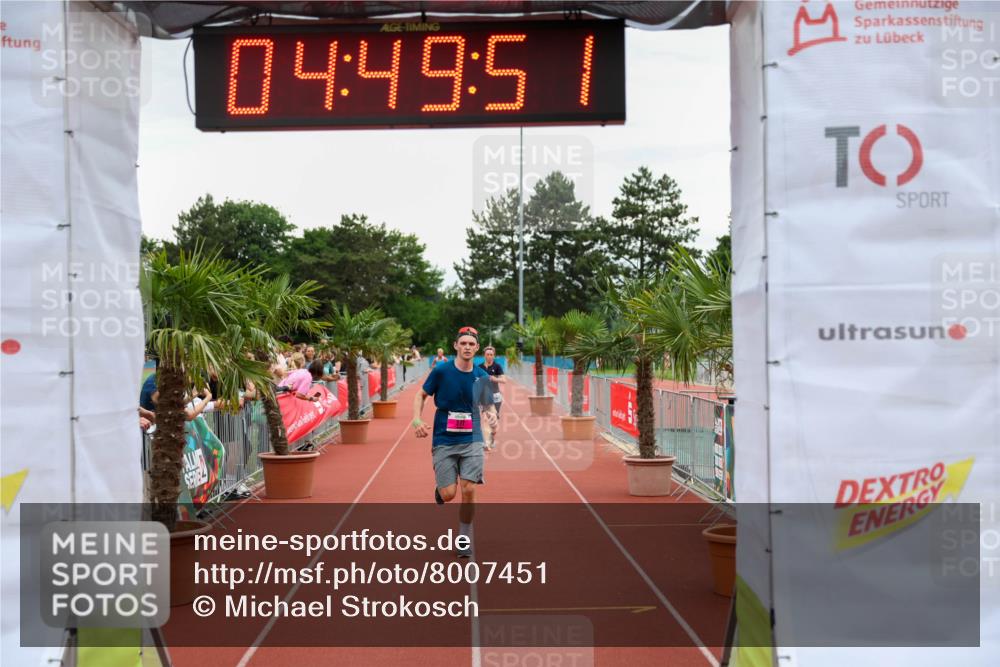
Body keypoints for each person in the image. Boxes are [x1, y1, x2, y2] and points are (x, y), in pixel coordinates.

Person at [412, 326, 497, 558]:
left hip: (472, 439)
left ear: (477, 348)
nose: (467, 347)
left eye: (472, 344)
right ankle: (441, 491)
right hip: (444, 438)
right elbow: (421, 395)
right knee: (449, 494)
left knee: (469, 489)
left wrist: (490, 427)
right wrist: (417, 419)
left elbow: (488, 406)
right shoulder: (441, 371)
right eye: (464, 343)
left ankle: (464, 537)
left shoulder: (481, 376)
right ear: (456, 346)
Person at [477, 346, 506, 451]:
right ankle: (486, 443)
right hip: (484, 397)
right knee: (485, 418)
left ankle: (492, 436)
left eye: (491, 354)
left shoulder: (497, 366)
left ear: (494, 355)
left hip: (496, 396)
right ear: (484, 355)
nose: (489, 356)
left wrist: (495, 378)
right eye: (487, 354)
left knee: (493, 421)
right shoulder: (479, 367)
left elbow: (504, 380)